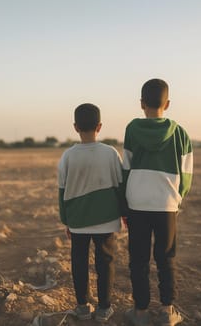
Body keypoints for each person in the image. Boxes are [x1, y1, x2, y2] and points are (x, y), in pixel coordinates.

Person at [123, 79, 193, 326]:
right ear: (168, 104)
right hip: (166, 205)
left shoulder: (132, 129)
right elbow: (186, 175)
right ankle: (166, 311)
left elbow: (125, 168)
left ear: (142, 104)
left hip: (137, 204)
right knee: (166, 258)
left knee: (138, 259)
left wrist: (125, 204)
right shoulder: (180, 133)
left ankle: (140, 312)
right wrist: (177, 198)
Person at [58, 103, 125, 322]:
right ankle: (104, 308)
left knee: (79, 261)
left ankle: (82, 306)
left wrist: (66, 220)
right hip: (106, 219)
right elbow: (120, 186)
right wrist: (123, 213)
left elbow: (62, 191)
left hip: (78, 220)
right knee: (105, 262)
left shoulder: (68, 156)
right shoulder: (110, 153)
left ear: (75, 127)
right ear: (100, 126)